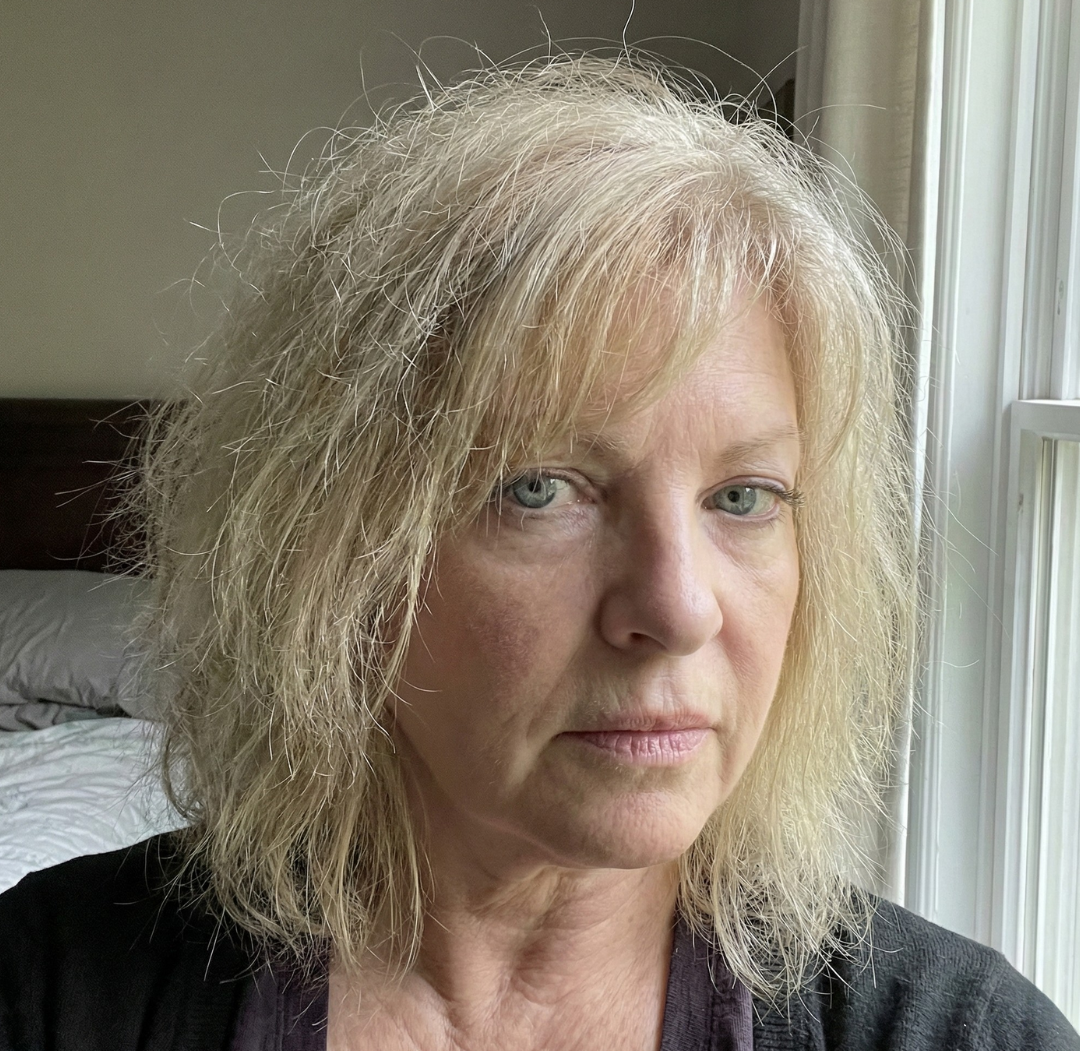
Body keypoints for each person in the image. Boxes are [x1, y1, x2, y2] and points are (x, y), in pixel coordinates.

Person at [1, 54, 1077, 1051]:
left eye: (743, 496)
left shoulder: (955, 1029)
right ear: (332, 557)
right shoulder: (50, 989)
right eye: (538, 491)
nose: (680, 607)